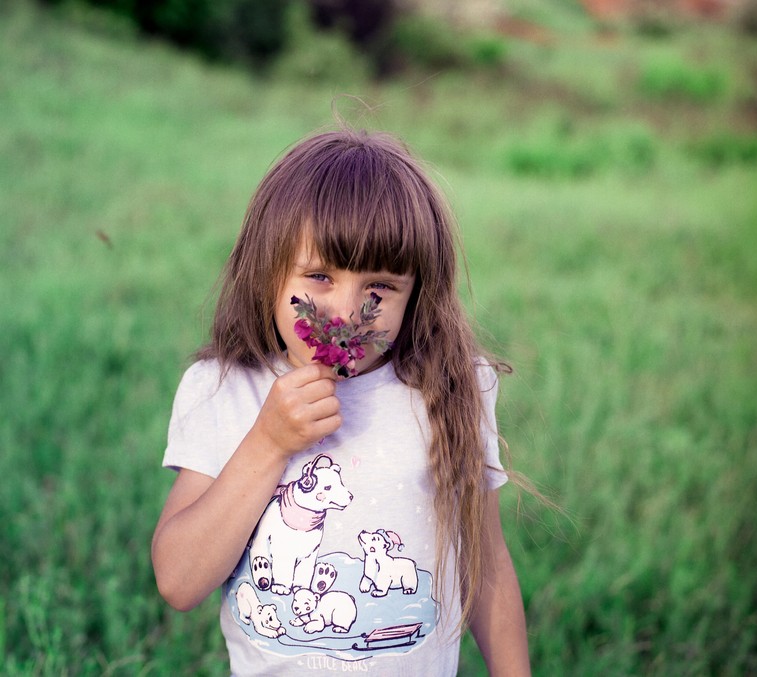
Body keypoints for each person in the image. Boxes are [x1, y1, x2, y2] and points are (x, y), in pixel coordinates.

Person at [152, 126, 533, 676]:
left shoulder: (451, 388)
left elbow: (487, 563)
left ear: (417, 292)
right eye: (319, 275)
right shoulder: (224, 388)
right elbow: (179, 582)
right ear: (267, 272)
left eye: (379, 288)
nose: (346, 311)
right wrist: (268, 443)